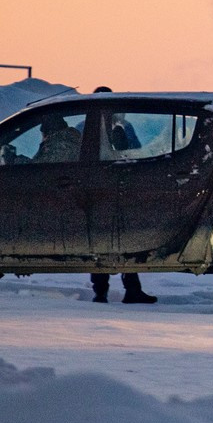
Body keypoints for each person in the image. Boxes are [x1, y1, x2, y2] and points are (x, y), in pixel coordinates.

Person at [88, 86, 157, 305]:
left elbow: (135, 151)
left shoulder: (113, 127)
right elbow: (135, 153)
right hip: (108, 190)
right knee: (112, 241)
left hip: (112, 191)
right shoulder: (100, 127)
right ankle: (110, 291)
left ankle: (116, 291)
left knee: (114, 241)